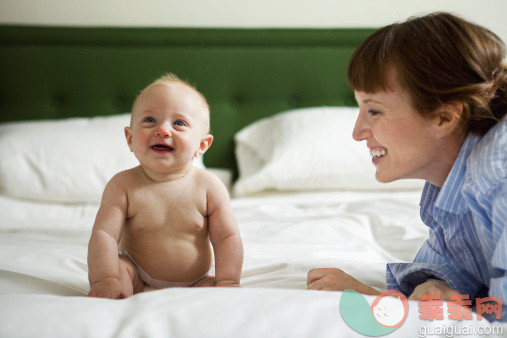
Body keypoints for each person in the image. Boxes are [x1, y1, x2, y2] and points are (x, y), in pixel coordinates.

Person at [307, 12, 507, 319]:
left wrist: (381, 301)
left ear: (444, 118)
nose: (357, 132)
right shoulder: (446, 188)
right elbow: (451, 269)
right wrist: (435, 287)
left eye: (373, 111)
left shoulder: (497, 173)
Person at [87, 74, 243, 299]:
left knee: (215, 293)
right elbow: (104, 235)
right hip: (136, 274)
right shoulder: (122, 185)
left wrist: (228, 281)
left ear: (201, 145)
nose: (162, 130)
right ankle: (114, 285)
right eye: (150, 120)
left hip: (195, 281)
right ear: (130, 139)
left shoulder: (210, 187)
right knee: (118, 271)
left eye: (179, 123)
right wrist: (105, 279)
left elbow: (227, 238)